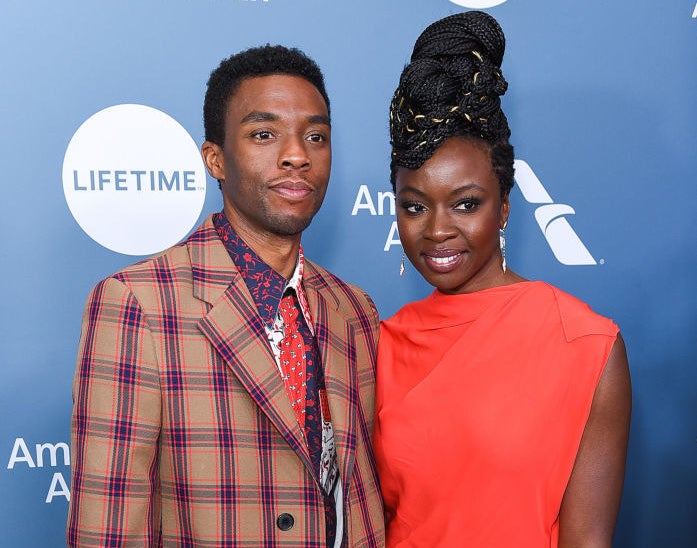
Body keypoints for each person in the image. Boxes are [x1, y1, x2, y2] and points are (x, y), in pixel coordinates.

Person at [67, 45, 384, 547]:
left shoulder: (355, 310)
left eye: (316, 136)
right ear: (215, 159)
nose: (297, 154)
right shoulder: (138, 304)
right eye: (264, 134)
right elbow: (105, 528)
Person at [373, 11, 631, 547]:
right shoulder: (379, 342)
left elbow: (588, 540)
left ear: (506, 208)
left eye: (466, 204)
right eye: (415, 207)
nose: (438, 230)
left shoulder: (584, 343)